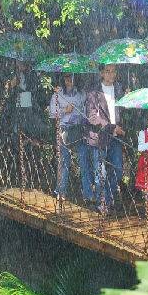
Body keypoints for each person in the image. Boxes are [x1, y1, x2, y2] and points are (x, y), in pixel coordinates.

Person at [85, 64, 125, 213]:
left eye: (114, 71)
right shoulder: (94, 93)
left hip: (116, 138)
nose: (111, 74)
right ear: (102, 73)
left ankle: (108, 199)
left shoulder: (119, 90)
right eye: (108, 71)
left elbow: (122, 112)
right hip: (99, 137)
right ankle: (103, 204)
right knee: (100, 173)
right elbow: (92, 117)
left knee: (118, 170)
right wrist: (110, 127)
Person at [49, 74, 91, 205]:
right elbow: (52, 113)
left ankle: (88, 193)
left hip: (78, 130)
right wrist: (64, 110)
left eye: (72, 77)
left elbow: (86, 111)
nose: (69, 80)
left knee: (84, 160)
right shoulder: (57, 94)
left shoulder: (81, 94)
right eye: (66, 77)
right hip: (64, 131)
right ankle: (61, 192)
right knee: (64, 161)